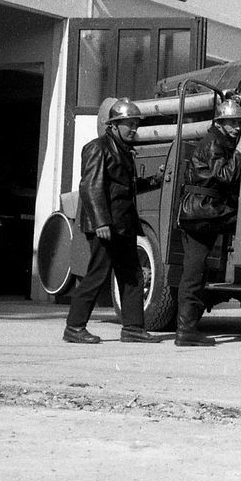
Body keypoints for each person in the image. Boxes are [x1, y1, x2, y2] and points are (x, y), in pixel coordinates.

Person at [63, 99, 164, 344]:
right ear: (114, 125)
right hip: (106, 226)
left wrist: (154, 180)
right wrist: (101, 223)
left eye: (135, 125)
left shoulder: (123, 150)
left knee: (132, 275)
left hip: (122, 225)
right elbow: (90, 186)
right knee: (97, 275)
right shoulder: (98, 147)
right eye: (128, 124)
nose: (133, 129)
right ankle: (74, 327)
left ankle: (133, 328)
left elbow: (122, 188)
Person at [175, 98, 241, 347]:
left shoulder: (216, 141)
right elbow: (225, 175)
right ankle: (186, 331)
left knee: (195, 271)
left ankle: (187, 329)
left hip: (204, 212)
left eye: (238, 123)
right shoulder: (215, 144)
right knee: (194, 273)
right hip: (203, 212)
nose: (236, 128)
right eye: (231, 123)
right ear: (219, 123)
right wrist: (240, 148)